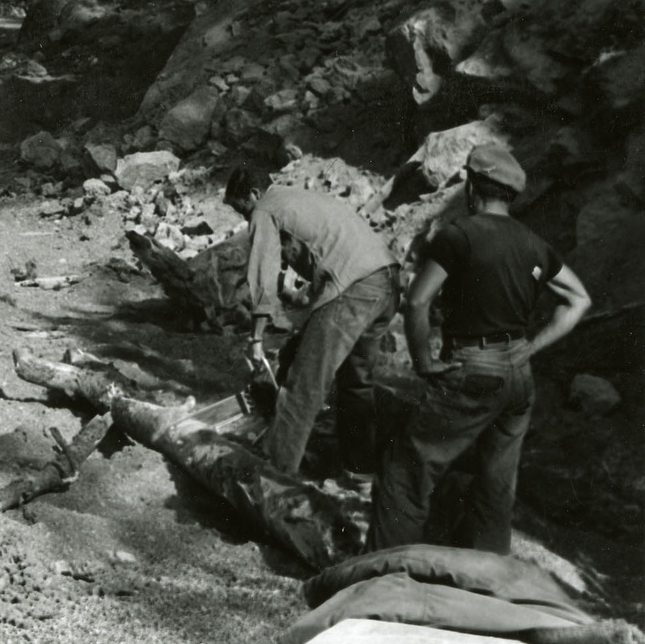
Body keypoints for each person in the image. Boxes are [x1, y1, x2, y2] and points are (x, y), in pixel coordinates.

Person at [370, 142, 590, 554]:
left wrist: (423, 362)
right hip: (518, 377)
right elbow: (579, 300)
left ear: (472, 187)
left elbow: (417, 301)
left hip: (473, 368)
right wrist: (532, 346)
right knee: (496, 485)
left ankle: (382, 572)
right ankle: (485, 582)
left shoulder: (459, 236)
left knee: (406, 470)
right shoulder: (532, 243)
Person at [224, 165, 398, 476]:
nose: (245, 220)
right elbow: (329, 256)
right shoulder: (299, 199)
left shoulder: (265, 209)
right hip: (385, 279)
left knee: (303, 385)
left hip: (353, 287)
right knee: (355, 381)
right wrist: (300, 300)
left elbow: (263, 275)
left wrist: (256, 337)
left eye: (243, 209)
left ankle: (274, 478)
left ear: (254, 194)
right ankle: (359, 471)